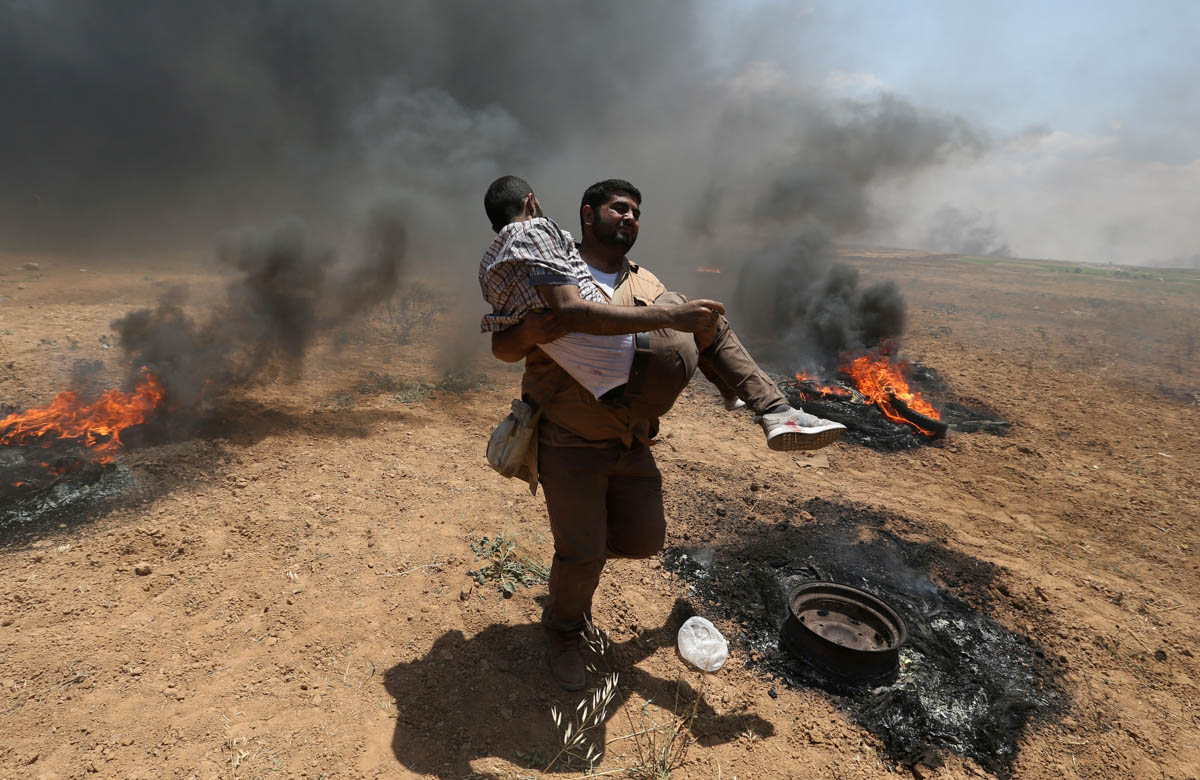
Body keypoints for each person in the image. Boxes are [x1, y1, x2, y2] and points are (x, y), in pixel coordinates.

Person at [486, 179, 845, 691]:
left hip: (632, 441)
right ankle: (565, 629)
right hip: (570, 442)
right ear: (588, 215)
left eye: (636, 211)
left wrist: (683, 322)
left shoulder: (647, 283)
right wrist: (530, 333)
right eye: (619, 208)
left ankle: (774, 410)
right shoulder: (551, 272)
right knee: (582, 552)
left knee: (643, 539)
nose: (630, 217)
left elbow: (688, 331)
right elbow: (503, 346)